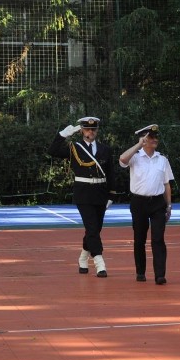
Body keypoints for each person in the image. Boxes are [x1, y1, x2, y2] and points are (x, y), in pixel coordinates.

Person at [48, 116, 115, 277]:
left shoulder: (105, 149)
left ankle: (83, 258)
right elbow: (52, 151)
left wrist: (111, 194)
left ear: (97, 131)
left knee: (95, 229)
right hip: (83, 193)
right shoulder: (74, 148)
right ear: (81, 131)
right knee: (92, 228)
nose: (90, 132)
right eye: (87, 129)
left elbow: (111, 173)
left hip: (100, 192)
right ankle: (99, 263)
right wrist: (63, 135)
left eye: (93, 129)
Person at [119, 124, 175, 285]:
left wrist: (169, 205)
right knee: (139, 239)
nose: (155, 140)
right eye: (151, 137)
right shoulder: (135, 157)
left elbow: (166, 184)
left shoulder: (162, 159)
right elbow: (122, 159)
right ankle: (140, 271)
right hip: (139, 202)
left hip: (158, 202)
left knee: (158, 239)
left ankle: (160, 275)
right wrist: (138, 145)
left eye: (156, 137)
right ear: (143, 139)